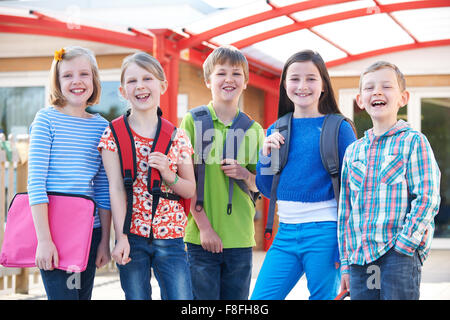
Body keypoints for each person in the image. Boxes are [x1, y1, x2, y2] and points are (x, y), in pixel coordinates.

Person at [250, 50, 356, 300]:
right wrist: (265, 156)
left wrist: (347, 252)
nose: (302, 86)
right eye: (294, 78)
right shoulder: (277, 128)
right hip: (285, 232)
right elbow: (266, 188)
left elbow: (355, 190)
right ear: (285, 84)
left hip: (326, 232)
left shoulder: (339, 128)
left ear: (323, 86)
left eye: (311, 78)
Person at [338, 61, 441, 300]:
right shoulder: (353, 152)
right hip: (359, 258)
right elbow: (346, 210)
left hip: (397, 255)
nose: (377, 91)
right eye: (369, 87)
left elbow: (427, 198)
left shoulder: (414, 142)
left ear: (402, 98)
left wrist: (405, 245)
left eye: (386, 86)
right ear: (360, 100)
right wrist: (345, 262)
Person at [99, 52, 195, 300]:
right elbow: (116, 188)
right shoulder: (113, 135)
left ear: (162, 85)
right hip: (131, 236)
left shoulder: (178, 137)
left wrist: (168, 174)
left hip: (171, 236)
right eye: (132, 81)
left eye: (147, 78)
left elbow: (189, 190)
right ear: (122, 91)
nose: (140, 86)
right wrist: (120, 238)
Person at [180, 45, 264, 300]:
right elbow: (186, 182)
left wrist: (244, 175)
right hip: (199, 238)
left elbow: (261, 186)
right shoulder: (191, 121)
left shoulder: (255, 130)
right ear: (208, 80)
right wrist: (204, 228)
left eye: (237, 74)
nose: (229, 79)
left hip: (239, 239)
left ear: (246, 82)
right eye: (221, 73)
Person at [28, 46, 112, 300]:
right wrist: (44, 240)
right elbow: (36, 183)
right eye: (67, 76)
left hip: (90, 231)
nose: (77, 81)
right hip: (54, 232)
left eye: (84, 74)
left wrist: (104, 240)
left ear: (94, 80)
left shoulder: (102, 126)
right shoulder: (46, 120)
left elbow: (102, 189)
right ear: (57, 81)